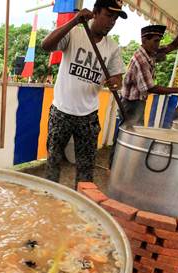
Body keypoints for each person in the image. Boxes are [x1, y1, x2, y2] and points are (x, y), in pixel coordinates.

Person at [40, 0, 127, 187]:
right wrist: (73, 21)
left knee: (86, 167)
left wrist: (115, 83)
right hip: (61, 111)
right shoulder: (75, 32)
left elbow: (118, 79)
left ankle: (83, 203)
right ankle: (48, 198)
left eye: (115, 19)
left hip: (88, 116)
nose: (111, 22)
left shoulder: (113, 48)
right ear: (95, 12)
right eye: (108, 15)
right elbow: (46, 46)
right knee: (53, 162)